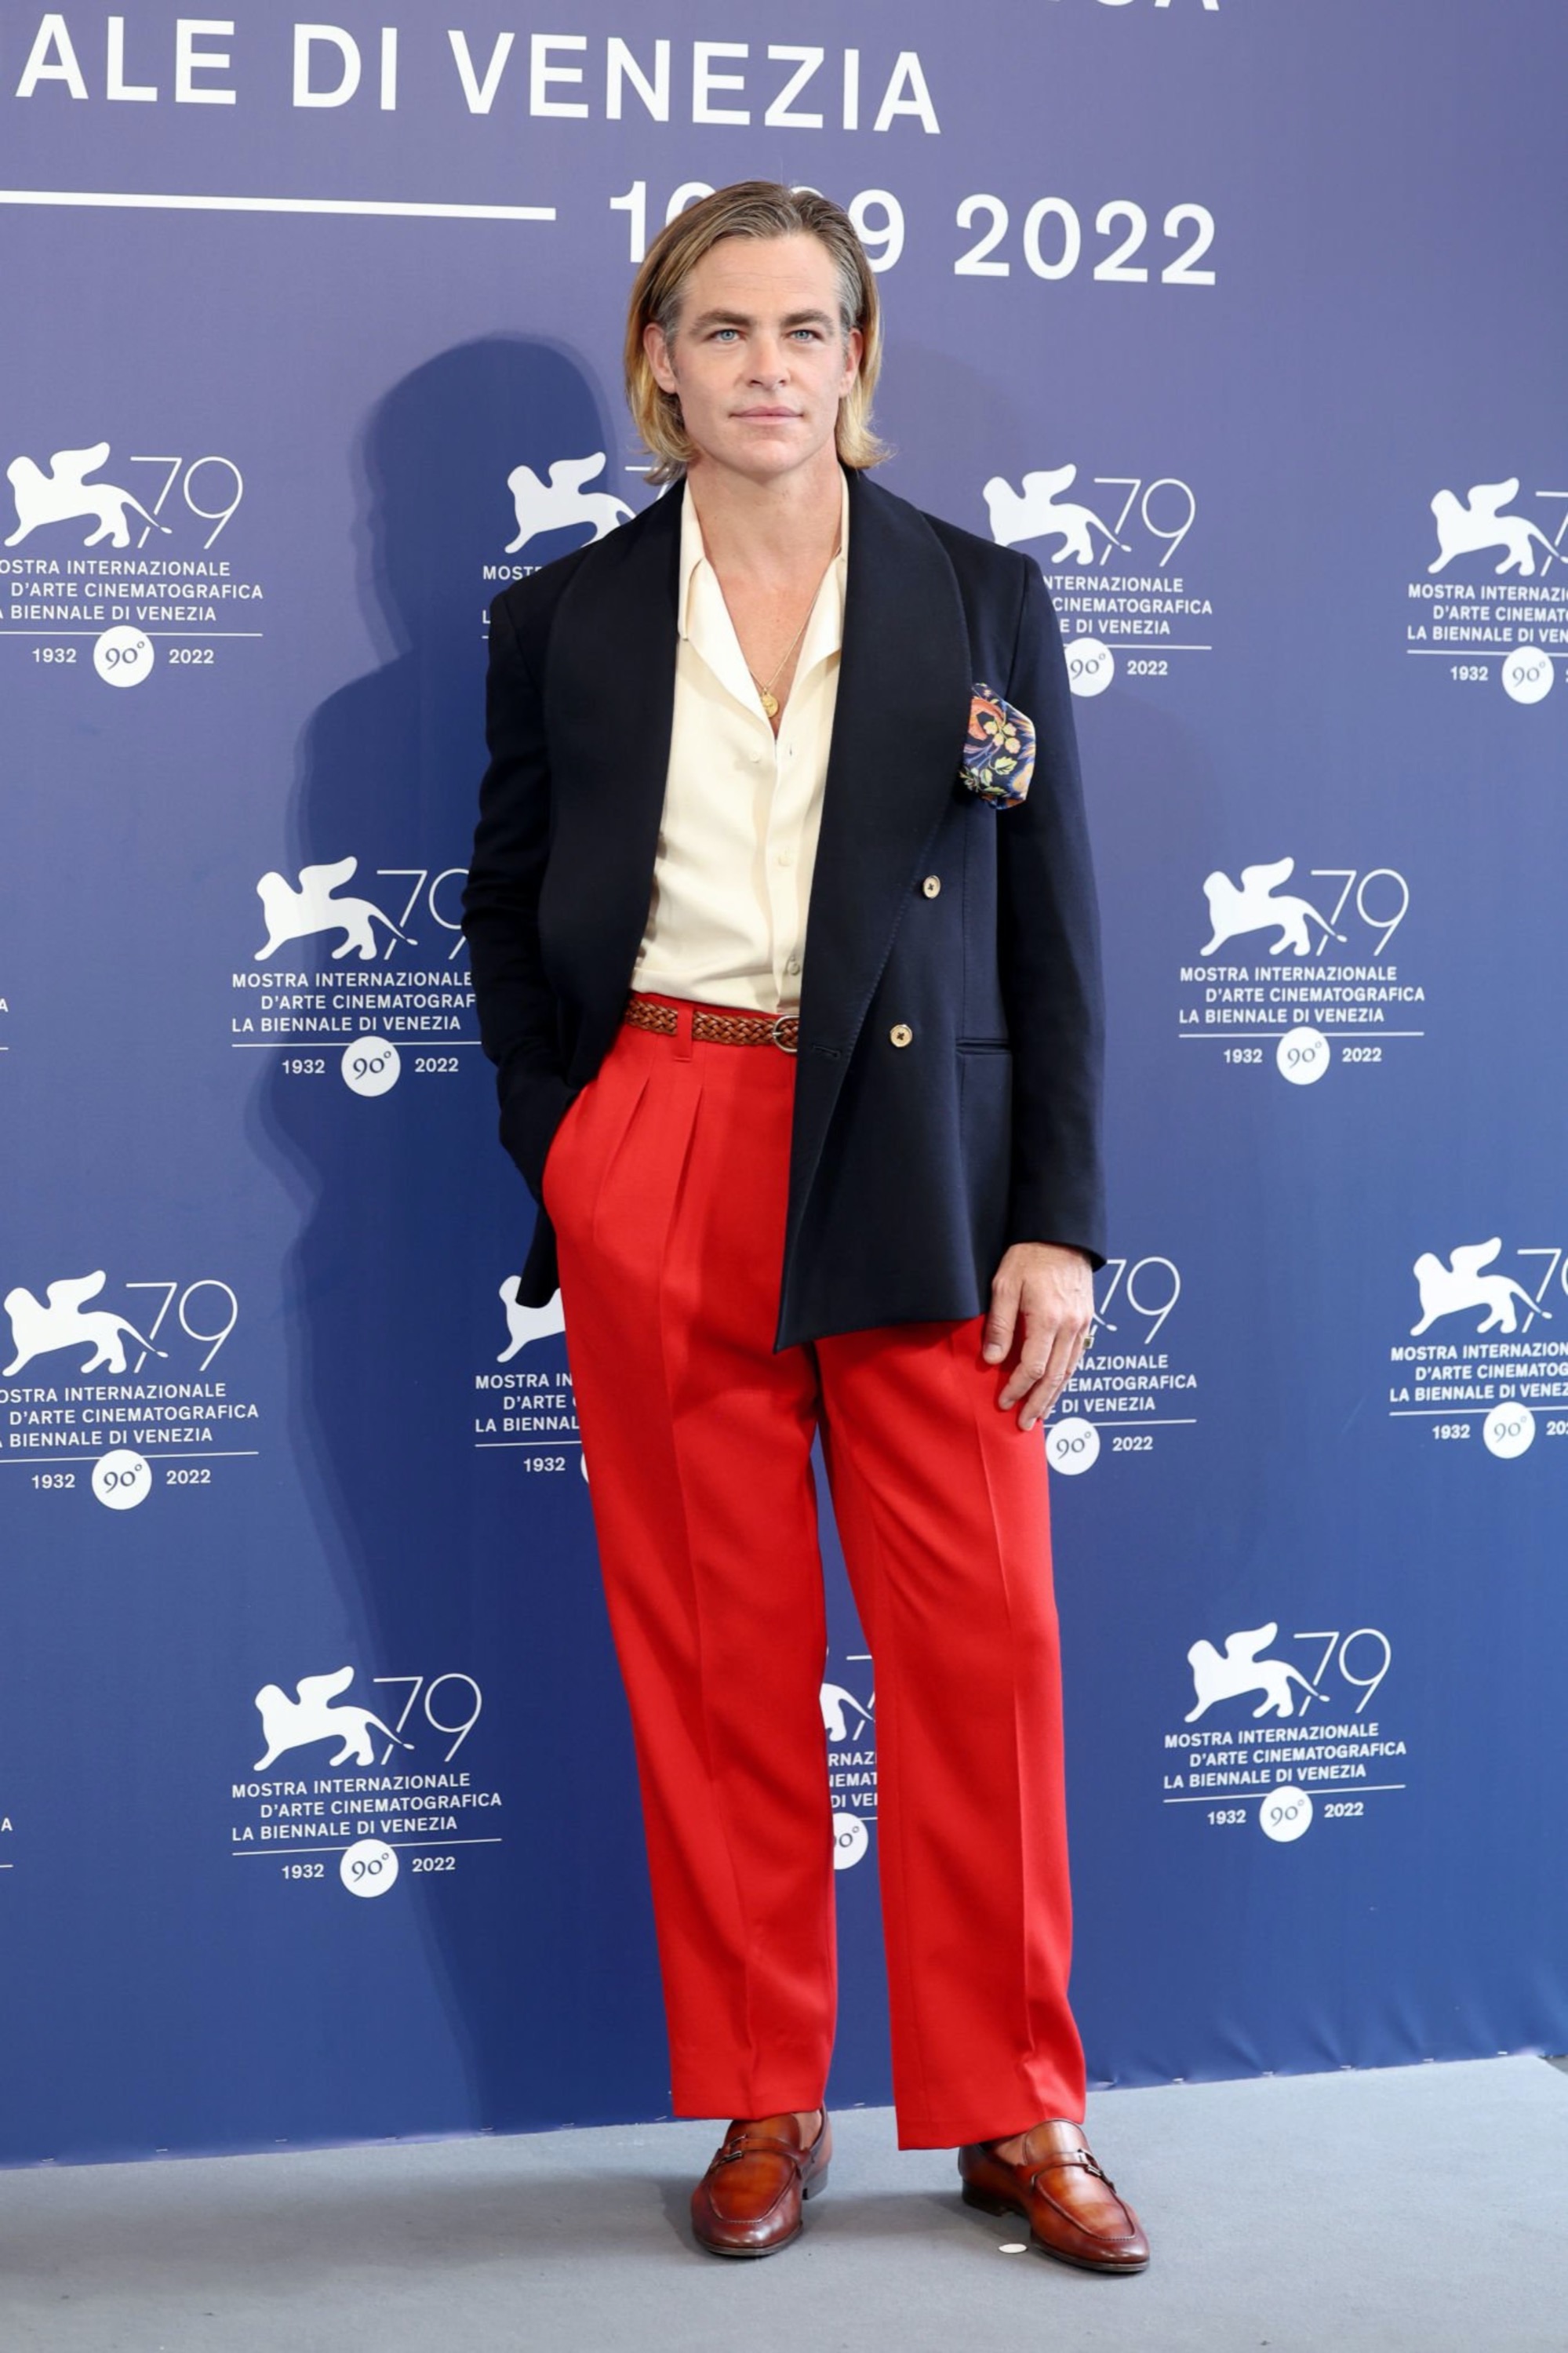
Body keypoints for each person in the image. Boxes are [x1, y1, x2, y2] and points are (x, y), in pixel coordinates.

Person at [461, 180, 1148, 2277]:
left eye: (808, 329)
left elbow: (1054, 927)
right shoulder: (563, 620)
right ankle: (769, 2096)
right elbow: (507, 906)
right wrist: (573, 1146)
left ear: (859, 357)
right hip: (666, 1129)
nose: (770, 367)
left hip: (925, 1151)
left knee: (983, 1649)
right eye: (726, 328)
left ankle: (1015, 2108)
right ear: (658, 360)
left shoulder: (980, 594)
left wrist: (1058, 1223)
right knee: (716, 1650)